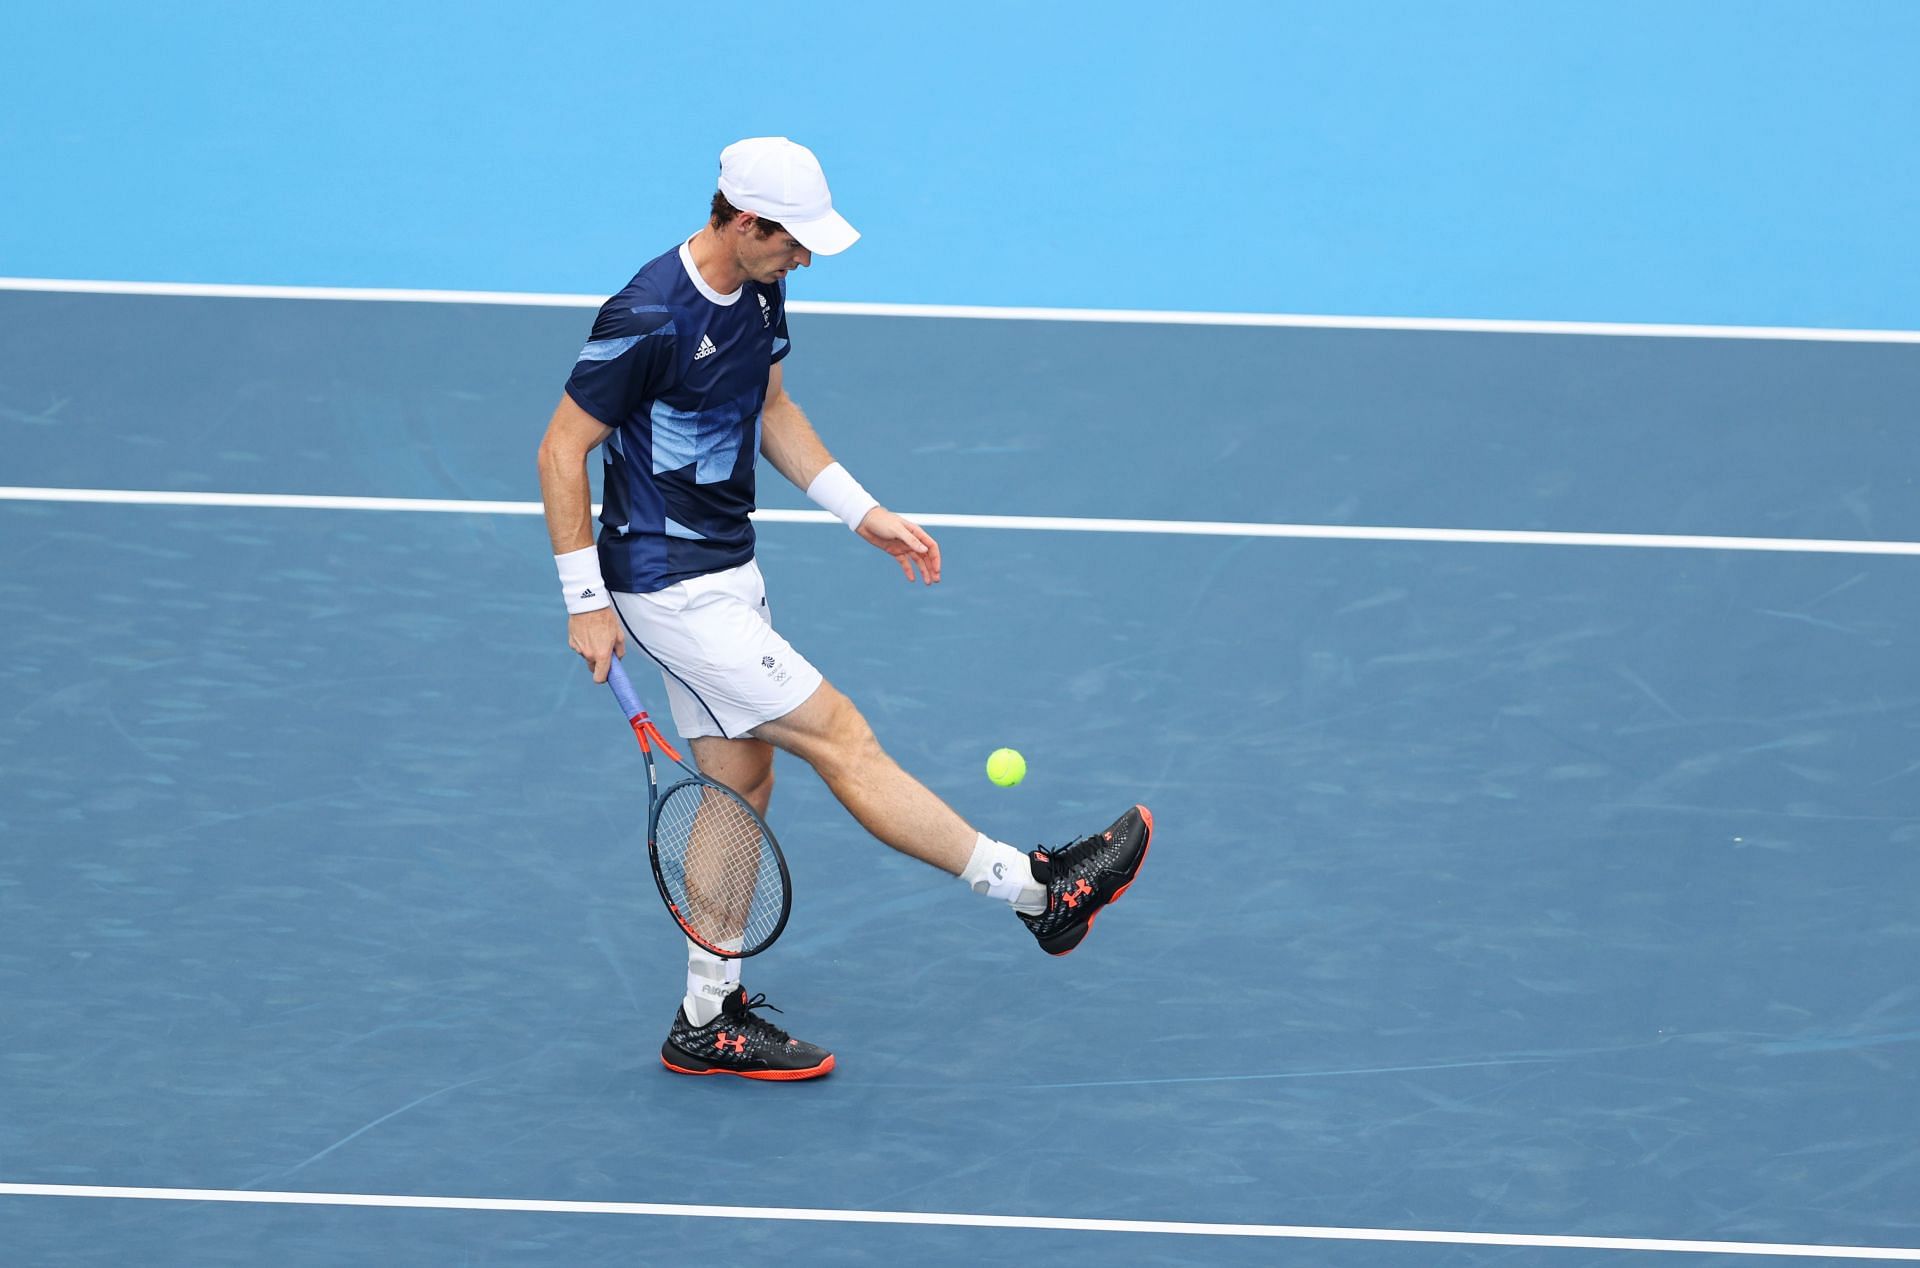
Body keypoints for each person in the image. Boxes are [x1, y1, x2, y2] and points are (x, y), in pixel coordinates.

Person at [535, 137, 1151, 1081]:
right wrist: (585, 602)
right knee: (840, 737)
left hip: (729, 569)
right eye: (793, 241)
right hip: (667, 585)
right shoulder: (648, 314)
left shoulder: (763, 286)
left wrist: (860, 511)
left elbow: (770, 406)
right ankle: (1038, 895)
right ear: (744, 222)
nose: (806, 260)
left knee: (739, 786)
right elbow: (560, 448)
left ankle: (705, 1020)